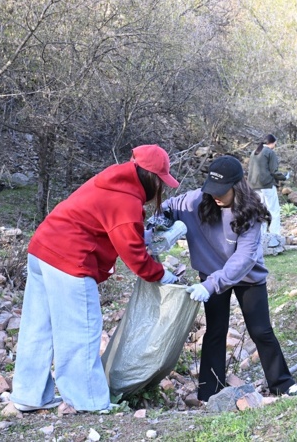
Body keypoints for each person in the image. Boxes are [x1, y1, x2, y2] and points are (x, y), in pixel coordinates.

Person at [11, 145, 180, 414]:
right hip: (69, 260)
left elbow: (108, 226)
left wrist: (141, 235)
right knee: (81, 330)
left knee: (38, 327)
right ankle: (87, 401)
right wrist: (161, 274)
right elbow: (135, 257)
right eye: (161, 182)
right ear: (153, 179)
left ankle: (28, 395)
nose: (160, 188)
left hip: (42, 249)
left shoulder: (110, 180)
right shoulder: (126, 200)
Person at [161, 155, 297, 401]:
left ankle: (282, 383)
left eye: (222, 190)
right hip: (211, 273)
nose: (215, 195)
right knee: (215, 331)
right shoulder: (196, 201)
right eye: (212, 188)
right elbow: (168, 207)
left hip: (247, 278)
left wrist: (210, 285)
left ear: (237, 186)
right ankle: (209, 391)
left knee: (260, 330)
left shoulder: (250, 212)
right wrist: (158, 224)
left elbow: (244, 258)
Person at [247, 134, 285, 236]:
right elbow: (274, 171)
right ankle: (275, 235)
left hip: (253, 186)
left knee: (260, 211)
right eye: (275, 143)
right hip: (267, 185)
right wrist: (284, 177)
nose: (275, 145)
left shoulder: (254, 152)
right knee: (274, 211)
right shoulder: (270, 153)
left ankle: (261, 234)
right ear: (272, 143)